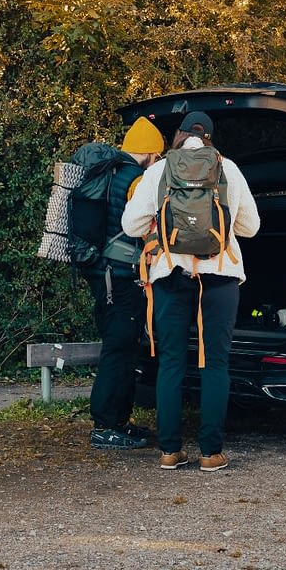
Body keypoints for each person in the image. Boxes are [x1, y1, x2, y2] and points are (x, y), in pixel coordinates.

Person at [121, 111, 260, 471]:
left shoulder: (159, 170)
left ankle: (170, 451)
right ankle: (211, 454)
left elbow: (130, 224)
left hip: (170, 274)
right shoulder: (228, 169)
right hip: (222, 275)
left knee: (171, 362)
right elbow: (251, 227)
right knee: (215, 363)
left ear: (178, 136)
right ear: (210, 138)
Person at [86, 116, 164, 450]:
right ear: (148, 153)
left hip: (103, 273)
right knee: (119, 350)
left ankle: (118, 421)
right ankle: (104, 425)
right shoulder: (135, 180)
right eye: (157, 156)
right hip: (121, 276)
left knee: (122, 348)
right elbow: (141, 227)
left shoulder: (111, 173)